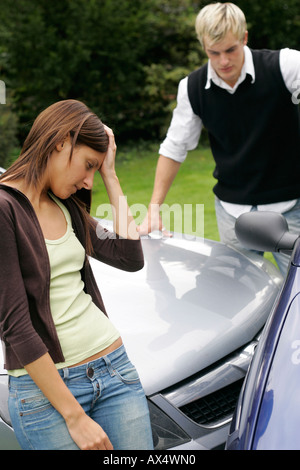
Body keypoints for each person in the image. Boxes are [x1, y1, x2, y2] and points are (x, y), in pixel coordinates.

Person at [0, 99, 153, 450]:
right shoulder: (4, 208)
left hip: (114, 370)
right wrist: (74, 417)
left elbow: (130, 257)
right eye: (88, 166)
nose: (88, 181)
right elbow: (15, 326)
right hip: (45, 398)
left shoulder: (65, 203)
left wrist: (110, 175)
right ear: (61, 142)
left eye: (94, 170)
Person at [139, 2, 300, 275]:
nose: (223, 61)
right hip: (233, 213)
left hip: (291, 208)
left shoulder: (285, 65)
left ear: (244, 38)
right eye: (213, 53)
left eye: (230, 50)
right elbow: (174, 147)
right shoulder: (191, 88)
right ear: (203, 46)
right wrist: (153, 208)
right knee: (241, 300)